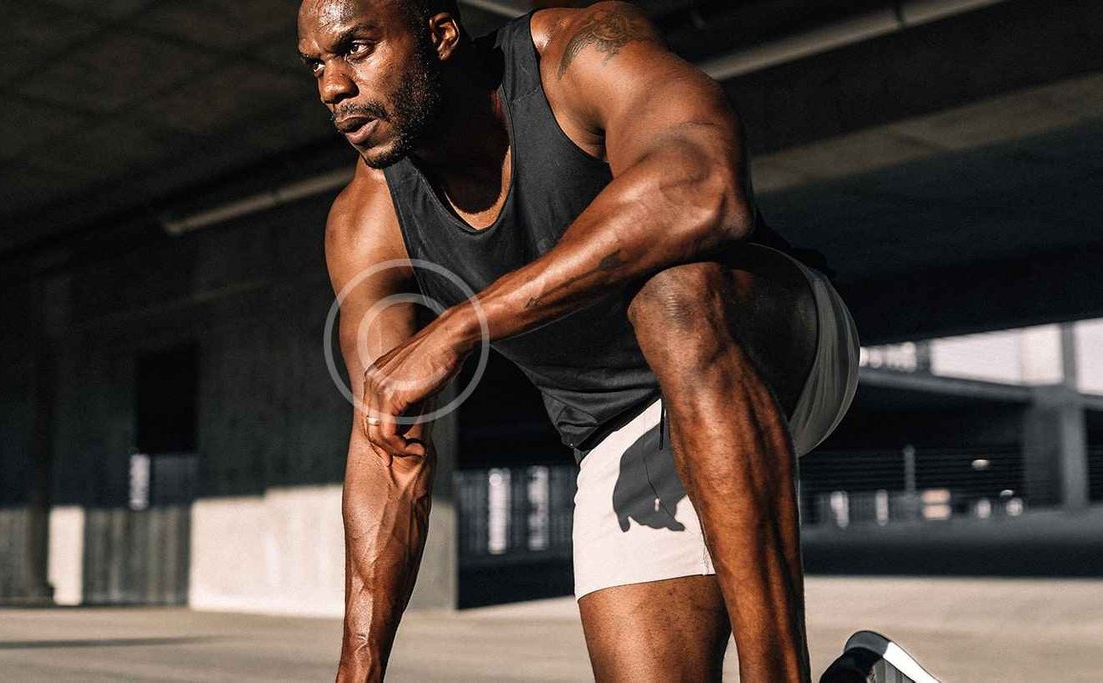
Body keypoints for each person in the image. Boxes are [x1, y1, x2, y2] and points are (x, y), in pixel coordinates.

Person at [300, 1, 860, 680]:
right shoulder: (366, 222)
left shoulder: (576, 55)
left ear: (441, 36)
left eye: (355, 48)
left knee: (674, 294)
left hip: (774, 349)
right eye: (316, 65)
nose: (333, 86)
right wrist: (357, 670)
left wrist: (462, 324)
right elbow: (386, 445)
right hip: (617, 429)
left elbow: (703, 186)